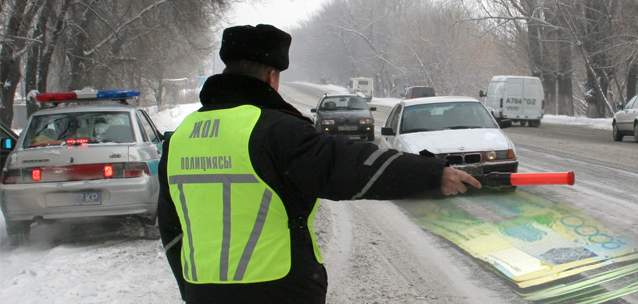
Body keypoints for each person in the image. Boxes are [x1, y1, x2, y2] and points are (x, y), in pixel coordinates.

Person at [157, 24, 481, 304]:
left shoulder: (180, 137)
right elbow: (352, 167)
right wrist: (431, 173)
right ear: (272, 77)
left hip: (203, 293)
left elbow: (171, 227)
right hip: (277, 291)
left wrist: (190, 287)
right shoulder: (274, 130)